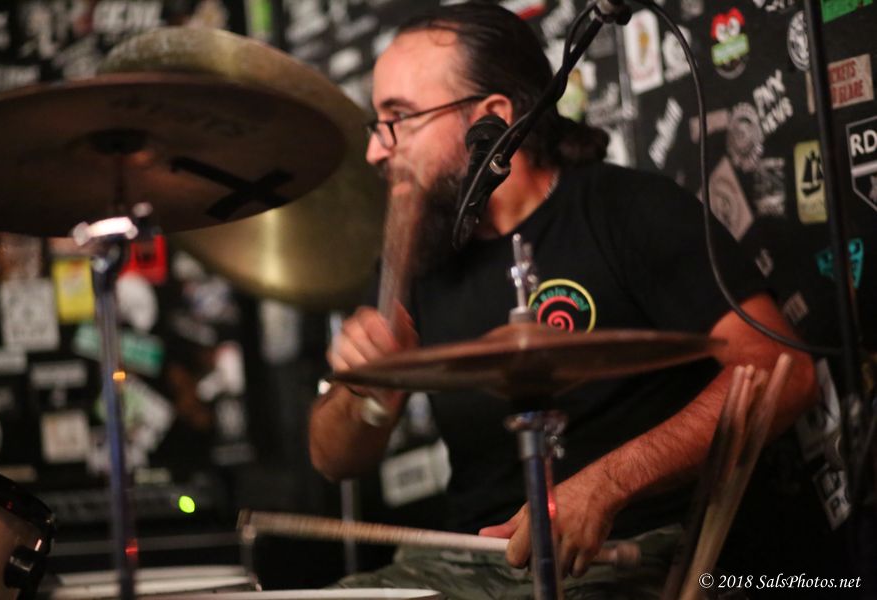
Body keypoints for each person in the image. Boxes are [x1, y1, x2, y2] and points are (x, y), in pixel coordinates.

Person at [308, 3, 817, 598]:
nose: (376, 151)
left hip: (635, 552)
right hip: (468, 566)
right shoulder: (418, 257)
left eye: (398, 119)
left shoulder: (625, 210)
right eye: (377, 124)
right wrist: (366, 395)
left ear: (491, 120)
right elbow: (332, 460)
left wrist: (609, 484)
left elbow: (783, 370)